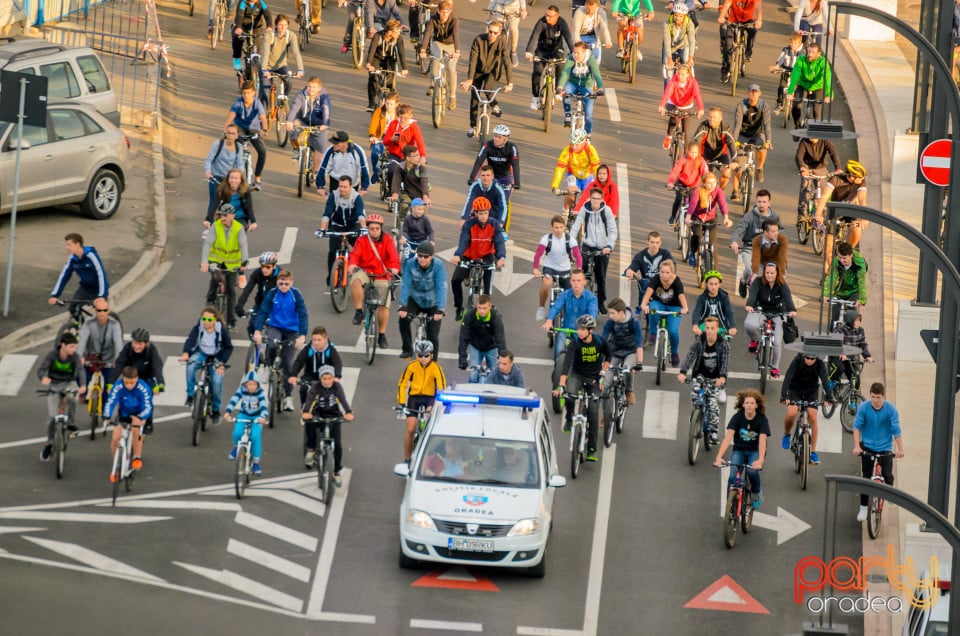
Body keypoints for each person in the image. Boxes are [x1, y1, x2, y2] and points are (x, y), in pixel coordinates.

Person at [553, 314, 610, 461]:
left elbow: (608, 356)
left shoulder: (599, 341)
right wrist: (561, 385)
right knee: (570, 394)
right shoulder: (575, 343)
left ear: (590, 330)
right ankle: (570, 418)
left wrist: (603, 373)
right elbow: (566, 364)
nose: (579, 332)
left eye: (582, 329)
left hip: (594, 379)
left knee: (593, 412)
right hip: (577, 375)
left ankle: (592, 449)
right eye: (578, 329)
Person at [253, 269, 309, 411]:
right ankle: (267, 366)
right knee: (271, 345)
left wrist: (302, 335)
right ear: (277, 282)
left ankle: (288, 397)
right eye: (281, 283)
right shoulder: (272, 293)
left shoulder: (296, 295)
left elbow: (303, 315)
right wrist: (258, 330)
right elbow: (263, 311)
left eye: (286, 283)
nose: (283, 286)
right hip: (275, 327)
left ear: (291, 283)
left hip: (292, 331)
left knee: (289, 364)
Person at [347, 214, 401, 348]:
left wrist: (394, 268)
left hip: (382, 274)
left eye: (377, 228)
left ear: (381, 228)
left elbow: (394, 258)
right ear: (368, 229)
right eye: (372, 228)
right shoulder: (361, 240)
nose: (375, 231)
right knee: (355, 281)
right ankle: (359, 311)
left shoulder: (388, 240)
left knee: (384, 306)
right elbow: (354, 255)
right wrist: (352, 265)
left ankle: (382, 335)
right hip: (365, 271)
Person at [853, 383, 904, 522]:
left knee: (887, 474)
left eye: (878, 397)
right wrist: (857, 446)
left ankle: (890, 492)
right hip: (867, 447)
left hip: (885, 448)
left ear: (884, 396)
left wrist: (900, 449)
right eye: (873, 397)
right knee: (866, 478)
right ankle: (863, 508)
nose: (875, 400)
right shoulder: (864, 407)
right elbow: (856, 426)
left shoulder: (890, 409)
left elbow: (896, 429)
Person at [713, 388, 770, 509]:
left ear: (756, 405)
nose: (749, 405)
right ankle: (730, 502)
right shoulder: (737, 418)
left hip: (755, 451)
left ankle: (756, 492)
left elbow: (762, 441)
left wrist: (760, 460)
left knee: (751, 471)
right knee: (733, 475)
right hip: (739, 450)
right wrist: (718, 457)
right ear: (743, 404)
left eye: (752, 403)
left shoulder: (762, 420)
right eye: (747, 403)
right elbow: (728, 438)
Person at [451, 201, 506, 320]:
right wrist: (457, 255)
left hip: (486, 256)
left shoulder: (494, 224)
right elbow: (463, 241)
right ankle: (459, 307)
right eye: (480, 213)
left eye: (485, 213)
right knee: (455, 280)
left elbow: (499, 242)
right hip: (469, 256)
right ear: (476, 213)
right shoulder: (469, 225)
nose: (483, 216)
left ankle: (487, 307)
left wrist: (501, 257)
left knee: (486, 287)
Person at [677, 316, 730, 442]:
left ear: (717, 329)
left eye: (712, 328)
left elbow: (725, 361)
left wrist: (722, 377)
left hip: (715, 378)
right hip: (700, 375)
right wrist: (683, 372)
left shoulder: (723, 344)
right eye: (707, 328)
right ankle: (696, 417)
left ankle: (713, 432)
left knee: (712, 406)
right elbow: (690, 355)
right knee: (696, 397)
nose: (710, 331)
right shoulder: (699, 340)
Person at [301, 365, 355, 485]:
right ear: (320, 379)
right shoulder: (315, 388)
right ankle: (311, 449)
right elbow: (309, 401)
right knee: (309, 425)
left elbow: (343, 400)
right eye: (324, 379)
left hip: (333, 414)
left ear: (333, 378)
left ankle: (336, 472)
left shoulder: (337, 387)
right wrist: (306, 413)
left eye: (330, 378)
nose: (327, 381)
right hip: (318, 413)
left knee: (338, 446)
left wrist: (349, 412)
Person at [461, 20, 514, 138]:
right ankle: (473, 126)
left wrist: (509, 82)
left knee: (488, 88)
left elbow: (507, 62)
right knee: (475, 96)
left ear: (499, 33)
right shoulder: (479, 40)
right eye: (490, 32)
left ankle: (494, 105)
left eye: (495, 33)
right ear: (487, 30)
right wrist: (470, 79)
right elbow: (473, 60)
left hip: (491, 70)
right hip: (478, 71)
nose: (492, 35)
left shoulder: (502, 42)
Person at [38, 333, 86, 462]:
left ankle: (71, 423)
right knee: (52, 417)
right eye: (71, 347)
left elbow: (81, 371)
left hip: (69, 383)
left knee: (74, 398)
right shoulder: (52, 355)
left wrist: (82, 385)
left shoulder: (75, 357)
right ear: (63, 345)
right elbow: (41, 370)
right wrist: (43, 378)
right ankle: (49, 444)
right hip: (54, 385)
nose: (74, 349)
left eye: (75, 347)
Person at [201, 203, 249, 332]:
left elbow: (243, 246)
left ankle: (231, 321)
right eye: (221, 215)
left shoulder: (239, 228)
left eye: (226, 215)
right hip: (216, 261)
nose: (223, 218)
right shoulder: (215, 226)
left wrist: (244, 263)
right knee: (215, 279)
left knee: (231, 291)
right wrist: (205, 262)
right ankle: (209, 302)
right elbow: (208, 243)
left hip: (232, 264)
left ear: (232, 216)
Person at [180, 307, 234, 420]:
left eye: (209, 320)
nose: (206, 322)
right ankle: (190, 395)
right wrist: (186, 353)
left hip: (216, 356)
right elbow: (191, 339)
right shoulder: (199, 327)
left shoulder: (221, 330)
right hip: (201, 353)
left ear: (215, 320)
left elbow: (229, 347)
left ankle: (215, 410)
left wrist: (222, 363)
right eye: (204, 318)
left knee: (217, 382)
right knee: (190, 366)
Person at [744, 262, 797, 378]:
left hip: (778, 313)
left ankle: (774, 367)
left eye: (772, 273)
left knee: (777, 342)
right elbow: (752, 295)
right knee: (749, 324)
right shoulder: (758, 282)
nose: (769, 275)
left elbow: (788, 298)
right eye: (767, 273)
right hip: (761, 310)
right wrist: (749, 305)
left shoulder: (782, 284)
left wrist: (792, 310)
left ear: (777, 273)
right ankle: (755, 340)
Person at [397, 340, 447, 461]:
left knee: (428, 417)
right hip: (414, 397)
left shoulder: (436, 368)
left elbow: (442, 387)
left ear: (431, 355)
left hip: (429, 398)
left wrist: (439, 404)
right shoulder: (411, 366)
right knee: (410, 429)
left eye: (426, 355)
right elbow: (402, 384)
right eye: (420, 355)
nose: (423, 358)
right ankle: (407, 458)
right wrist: (402, 401)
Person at [781, 351, 833, 465]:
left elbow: (825, 381)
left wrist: (829, 398)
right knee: (791, 413)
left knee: (813, 417)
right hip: (795, 389)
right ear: (804, 356)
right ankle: (787, 434)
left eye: (812, 359)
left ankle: (813, 452)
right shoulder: (797, 360)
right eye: (807, 358)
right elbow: (788, 377)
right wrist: (784, 396)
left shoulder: (819, 364)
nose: (809, 360)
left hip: (811, 391)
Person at [570, 186, 618, 309]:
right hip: (588, 245)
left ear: (602, 199)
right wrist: (571, 243)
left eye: (597, 198)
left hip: (603, 247)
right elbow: (576, 227)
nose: (595, 201)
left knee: (600, 276)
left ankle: (601, 302)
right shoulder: (585, 210)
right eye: (593, 198)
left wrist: (609, 245)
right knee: (581, 271)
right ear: (590, 198)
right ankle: (578, 298)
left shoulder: (606, 211)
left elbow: (613, 230)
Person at [398, 242, 446, 358]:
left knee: (432, 336)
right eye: (420, 256)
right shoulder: (410, 264)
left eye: (426, 257)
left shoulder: (439, 266)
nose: (422, 259)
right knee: (403, 320)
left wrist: (440, 309)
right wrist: (403, 305)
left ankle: (433, 363)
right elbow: (405, 285)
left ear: (432, 256)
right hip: (415, 299)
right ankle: (407, 349)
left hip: (433, 303)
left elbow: (441, 287)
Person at [104, 365, 154, 475]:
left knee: (137, 431)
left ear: (137, 379)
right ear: (122, 379)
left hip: (140, 413)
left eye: (132, 383)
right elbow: (111, 401)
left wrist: (141, 418)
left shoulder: (143, 387)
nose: (129, 386)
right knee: (115, 438)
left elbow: (148, 406)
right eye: (126, 382)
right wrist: (107, 416)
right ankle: (116, 464)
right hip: (124, 413)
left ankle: (137, 457)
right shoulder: (118, 386)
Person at [541, 268, 599, 361]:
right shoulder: (564, 294)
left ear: (584, 282)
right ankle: (557, 372)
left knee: (587, 358)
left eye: (579, 280)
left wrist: (588, 328)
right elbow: (555, 307)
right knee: (559, 353)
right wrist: (549, 321)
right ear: (570, 282)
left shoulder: (591, 298)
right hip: (565, 330)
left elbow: (592, 314)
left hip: (582, 332)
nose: (576, 283)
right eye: (573, 280)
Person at [640, 259, 688, 367]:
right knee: (652, 310)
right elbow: (649, 291)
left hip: (674, 307)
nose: (664, 275)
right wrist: (644, 304)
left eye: (667, 272)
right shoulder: (656, 278)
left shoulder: (677, 281)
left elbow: (681, 295)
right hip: (659, 303)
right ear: (659, 272)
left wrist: (685, 308)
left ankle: (674, 352)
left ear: (672, 272)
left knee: (673, 331)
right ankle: (653, 332)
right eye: (662, 272)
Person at [730, 189, 779, 297]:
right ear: (756, 202)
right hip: (749, 249)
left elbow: (781, 232)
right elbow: (739, 229)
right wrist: (734, 241)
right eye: (759, 202)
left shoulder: (774, 217)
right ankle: (743, 281)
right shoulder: (750, 216)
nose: (761, 204)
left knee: (774, 272)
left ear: (769, 203)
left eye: (764, 202)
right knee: (749, 269)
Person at [319, 176, 367, 285]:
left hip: (353, 225)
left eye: (345, 187)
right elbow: (327, 213)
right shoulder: (333, 196)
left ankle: (359, 273)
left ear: (351, 187)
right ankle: (331, 277)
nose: (342, 189)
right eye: (340, 186)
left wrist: (364, 228)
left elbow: (360, 214)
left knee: (358, 249)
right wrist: (322, 229)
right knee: (332, 251)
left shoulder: (357, 197)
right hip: (337, 225)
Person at [524, 5, 574, 111]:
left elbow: (568, 38)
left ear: (557, 16)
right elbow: (534, 36)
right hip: (542, 50)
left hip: (557, 49)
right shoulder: (542, 22)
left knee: (561, 65)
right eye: (546, 15)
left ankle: (557, 90)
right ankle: (535, 97)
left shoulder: (562, 23)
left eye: (550, 16)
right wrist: (529, 51)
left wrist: (574, 53)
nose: (547, 18)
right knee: (537, 71)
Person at [534, 215, 583, 321]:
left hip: (565, 269)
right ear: (552, 227)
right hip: (549, 267)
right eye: (556, 227)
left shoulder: (570, 239)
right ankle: (541, 308)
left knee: (569, 293)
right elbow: (538, 254)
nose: (559, 230)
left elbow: (577, 255)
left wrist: (579, 268)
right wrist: (536, 268)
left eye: (561, 227)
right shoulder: (546, 238)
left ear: (564, 227)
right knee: (546, 283)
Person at [49, 233, 110, 319]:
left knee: (101, 314)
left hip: (98, 289)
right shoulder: (72, 259)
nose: (67, 247)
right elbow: (64, 276)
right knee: (73, 308)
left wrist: (101, 296)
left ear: (77, 244)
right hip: (85, 288)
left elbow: (101, 274)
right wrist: (55, 295)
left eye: (69, 245)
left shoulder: (91, 256)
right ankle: (79, 328)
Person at [814, 160, 869, 249]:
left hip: (849, 209)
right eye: (860, 177)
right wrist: (818, 214)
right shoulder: (835, 179)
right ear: (851, 177)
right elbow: (824, 197)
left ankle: (849, 251)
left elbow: (862, 199)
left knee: (857, 230)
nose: (862, 179)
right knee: (829, 246)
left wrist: (864, 217)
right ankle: (828, 262)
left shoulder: (861, 182)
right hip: (834, 209)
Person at [224, 81, 268, 190]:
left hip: (254, 129)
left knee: (262, 151)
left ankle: (257, 179)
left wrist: (264, 130)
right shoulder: (238, 102)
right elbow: (231, 116)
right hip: (240, 128)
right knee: (236, 150)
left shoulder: (257, 103)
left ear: (253, 93)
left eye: (249, 93)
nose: (246, 96)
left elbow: (263, 117)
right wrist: (226, 130)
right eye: (244, 93)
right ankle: (231, 176)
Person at [224, 370, 269, 476]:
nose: (252, 387)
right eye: (250, 384)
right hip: (243, 415)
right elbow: (234, 400)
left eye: (254, 384)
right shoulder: (241, 390)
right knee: (237, 433)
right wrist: (227, 412)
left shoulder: (260, 393)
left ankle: (256, 463)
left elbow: (263, 406)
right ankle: (236, 447)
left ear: (257, 385)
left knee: (255, 436)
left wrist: (263, 417)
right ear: (245, 384)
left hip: (257, 417)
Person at [731, 83, 773, 195]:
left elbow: (767, 124)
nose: (753, 94)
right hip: (743, 134)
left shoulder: (764, 106)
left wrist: (768, 141)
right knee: (738, 163)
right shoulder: (741, 106)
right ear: (747, 93)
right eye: (751, 92)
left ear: (760, 93)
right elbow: (737, 124)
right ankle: (735, 190)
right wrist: (735, 140)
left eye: (755, 92)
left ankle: (759, 169)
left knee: (763, 147)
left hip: (757, 133)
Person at [419, 0, 460, 112]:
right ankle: (433, 84)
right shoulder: (433, 19)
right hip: (438, 43)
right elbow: (428, 33)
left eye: (447, 12)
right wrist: (423, 49)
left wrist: (457, 51)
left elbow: (456, 35)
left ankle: (452, 97)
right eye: (442, 12)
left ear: (450, 11)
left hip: (451, 45)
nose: (444, 15)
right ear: (438, 11)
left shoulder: (454, 20)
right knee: (436, 57)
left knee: (451, 68)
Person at [285, 76, 331, 177]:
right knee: (292, 130)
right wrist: (289, 121)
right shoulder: (301, 95)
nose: (311, 89)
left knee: (319, 150)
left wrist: (325, 123)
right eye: (309, 86)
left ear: (319, 88)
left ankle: (315, 173)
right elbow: (294, 109)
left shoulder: (324, 98)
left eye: (314, 87)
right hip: (303, 121)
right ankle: (297, 150)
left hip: (319, 125)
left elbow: (326, 110)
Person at [685, 172, 731, 269]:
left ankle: (715, 273)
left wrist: (726, 218)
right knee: (698, 237)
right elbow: (692, 205)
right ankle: (692, 252)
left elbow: (722, 204)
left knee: (713, 245)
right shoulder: (697, 191)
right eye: (709, 183)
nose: (712, 185)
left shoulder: (718, 191)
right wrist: (688, 217)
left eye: (714, 182)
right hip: (697, 217)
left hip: (711, 218)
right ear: (704, 183)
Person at [551, 130, 601, 217]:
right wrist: (555, 185)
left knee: (587, 200)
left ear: (583, 142)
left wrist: (599, 184)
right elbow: (560, 168)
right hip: (573, 176)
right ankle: (565, 212)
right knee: (571, 194)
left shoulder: (590, 150)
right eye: (572, 143)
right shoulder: (567, 151)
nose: (574, 147)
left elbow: (597, 167)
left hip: (588, 177)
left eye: (577, 144)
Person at [458, 294, 508, 382]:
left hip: (491, 347)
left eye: (484, 308)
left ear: (490, 306)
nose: (481, 311)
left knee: (495, 375)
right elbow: (464, 337)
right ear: (476, 306)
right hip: (475, 346)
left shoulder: (496, 317)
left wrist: (503, 357)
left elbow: (500, 337)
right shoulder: (469, 315)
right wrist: (462, 358)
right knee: (473, 375)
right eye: (479, 308)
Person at [557, 41, 604, 135]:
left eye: (578, 53)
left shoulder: (590, 59)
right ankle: (567, 114)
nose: (575, 55)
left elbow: (597, 74)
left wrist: (600, 89)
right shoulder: (571, 58)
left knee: (589, 115)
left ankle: (588, 134)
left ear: (584, 52)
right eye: (574, 52)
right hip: (573, 83)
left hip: (586, 86)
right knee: (566, 94)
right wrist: (560, 87)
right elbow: (565, 73)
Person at [289, 326, 343, 405]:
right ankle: (304, 408)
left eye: (319, 340)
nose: (316, 343)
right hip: (310, 375)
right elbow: (299, 361)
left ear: (325, 339)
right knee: (303, 389)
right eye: (314, 340)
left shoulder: (330, 350)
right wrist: (293, 375)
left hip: (326, 376)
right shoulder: (309, 349)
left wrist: (337, 376)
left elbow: (337, 363)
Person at [602, 298, 643, 403]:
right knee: (606, 383)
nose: (610, 316)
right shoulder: (610, 322)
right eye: (609, 313)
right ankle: (606, 416)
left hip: (630, 352)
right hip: (614, 352)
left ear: (621, 313)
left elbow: (639, 344)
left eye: (612, 313)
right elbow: (603, 340)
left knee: (627, 370)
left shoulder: (634, 322)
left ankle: (629, 391)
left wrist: (639, 363)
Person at [468, 125, 521, 205]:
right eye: (495, 136)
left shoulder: (512, 148)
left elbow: (515, 165)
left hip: (505, 178)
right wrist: (472, 178)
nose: (496, 139)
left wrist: (517, 182)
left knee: (503, 202)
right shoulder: (487, 145)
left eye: (499, 137)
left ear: (505, 139)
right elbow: (479, 162)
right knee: (482, 199)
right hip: (491, 177)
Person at [77, 296, 124, 387]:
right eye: (99, 311)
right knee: (80, 377)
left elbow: (118, 344)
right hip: (90, 360)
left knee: (108, 387)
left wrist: (117, 359)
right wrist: (80, 357)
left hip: (108, 362)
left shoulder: (114, 325)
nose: (102, 313)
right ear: (95, 311)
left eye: (105, 310)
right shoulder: (88, 323)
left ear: (108, 311)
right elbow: (82, 341)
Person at [785, 41, 832, 129]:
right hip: (803, 85)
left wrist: (828, 94)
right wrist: (790, 91)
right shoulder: (801, 59)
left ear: (818, 54)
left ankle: (815, 132)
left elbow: (827, 77)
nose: (809, 54)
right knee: (796, 106)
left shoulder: (823, 62)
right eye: (809, 52)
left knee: (816, 110)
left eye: (813, 52)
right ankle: (797, 123)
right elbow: (795, 74)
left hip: (818, 86)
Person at [365, 19, 409, 112]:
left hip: (390, 60)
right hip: (376, 59)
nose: (398, 33)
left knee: (391, 82)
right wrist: (369, 63)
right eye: (396, 31)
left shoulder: (398, 38)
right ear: (389, 32)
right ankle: (372, 103)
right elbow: (372, 49)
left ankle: (393, 106)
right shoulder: (378, 36)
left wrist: (404, 68)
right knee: (373, 78)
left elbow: (401, 52)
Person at [261, 14, 305, 107]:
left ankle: (282, 100)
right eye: (280, 25)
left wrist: (300, 69)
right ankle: (263, 115)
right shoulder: (269, 36)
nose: (283, 27)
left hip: (281, 66)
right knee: (265, 92)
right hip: (268, 67)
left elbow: (296, 53)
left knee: (289, 82)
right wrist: (264, 69)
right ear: (276, 25)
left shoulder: (291, 35)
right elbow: (265, 53)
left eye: (285, 25)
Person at [658, 64, 704, 151]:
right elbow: (667, 94)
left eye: (683, 74)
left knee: (686, 133)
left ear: (688, 75)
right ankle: (669, 136)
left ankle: (685, 155)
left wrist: (700, 109)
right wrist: (661, 106)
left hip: (686, 106)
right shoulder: (673, 81)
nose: (680, 76)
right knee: (674, 118)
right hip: (673, 103)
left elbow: (697, 96)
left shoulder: (693, 83)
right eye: (678, 73)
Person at [202, 126, 245, 218]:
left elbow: (240, 163)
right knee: (214, 201)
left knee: (229, 203)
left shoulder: (238, 147)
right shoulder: (218, 144)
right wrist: (208, 172)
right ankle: (209, 224)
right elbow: (208, 160)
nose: (230, 136)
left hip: (229, 179)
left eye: (233, 133)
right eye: (228, 133)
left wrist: (240, 175)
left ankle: (226, 225)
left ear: (237, 135)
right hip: (215, 176)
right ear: (225, 134)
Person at [822, 241, 868, 323]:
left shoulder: (859, 262)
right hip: (842, 289)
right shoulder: (836, 261)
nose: (841, 261)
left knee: (852, 315)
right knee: (835, 316)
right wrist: (826, 294)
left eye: (844, 258)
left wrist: (861, 299)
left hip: (854, 290)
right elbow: (832, 277)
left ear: (851, 255)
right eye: (840, 257)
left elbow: (862, 282)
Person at [236, 251, 280, 337]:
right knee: (251, 327)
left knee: (274, 337)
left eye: (268, 267)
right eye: (262, 266)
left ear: (274, 266)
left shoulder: (281, 275)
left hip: (276, 305)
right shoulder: (257, 273)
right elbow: (247, 290)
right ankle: (255, 348)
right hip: (261, 304)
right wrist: (240, 305)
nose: (264, 269)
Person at [693, 107, 737, 191]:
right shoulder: (703, 126)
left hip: (721, 155)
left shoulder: (725, 128)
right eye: (710, 117)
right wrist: (696, 157)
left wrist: (735, 161)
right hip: (705, 155)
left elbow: (731, 144)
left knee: (727, 173)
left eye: (714, 117)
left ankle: (718, 193)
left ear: (720, 118)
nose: (711, 119)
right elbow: (696, 142)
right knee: (704, 179)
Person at [718, 0, 761, 84]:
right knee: (727, 45)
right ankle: (726, 70)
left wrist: (759, 20)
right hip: (734, 20)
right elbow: (727, 4)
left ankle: (748, 51)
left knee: (753, 30)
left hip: (748, 20)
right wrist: (721, 16)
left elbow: (758, 8)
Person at [383, 104, 428, 185]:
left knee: (411, 174)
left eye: (405, 118)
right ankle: (391, 191)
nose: (402, 120)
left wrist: (423, 156)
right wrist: (391, 139)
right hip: (394, 154)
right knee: (391, 171)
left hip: (408, 156)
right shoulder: (393, 124)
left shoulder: (414, 127)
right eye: (400, 117)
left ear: (411, 116)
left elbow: (420, 142)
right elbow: (385, 142)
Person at [796, 135, 841, 214]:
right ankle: (802, 212)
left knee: (824, 190)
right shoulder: (804, 141)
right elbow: (799, 156)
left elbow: (833, 153)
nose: (811, 137)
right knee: (805, 186)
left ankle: (823, 210)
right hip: (807, 168)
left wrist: (838, 168)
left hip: (820, 168)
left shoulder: (825, 141)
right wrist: (802, 168)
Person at [316, 130, 371, 195]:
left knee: (350, 204)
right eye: (333, 143)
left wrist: (364, 188)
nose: (334, 145)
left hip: (352, 184)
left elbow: (364, 169)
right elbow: (323, 168)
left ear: (345, 143)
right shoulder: (330, 151)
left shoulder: (358, 151)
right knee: (334, 203)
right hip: (336, 181)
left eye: (337, 143)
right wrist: (320, 186)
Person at [665, 141, 708, 225]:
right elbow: (675, 171)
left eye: (696, 152)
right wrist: (670, 182)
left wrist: (707, 182)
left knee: (694, 202)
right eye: (692, 152)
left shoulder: (700, 160)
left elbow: (705, 172)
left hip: (694, 185)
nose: (694, 154)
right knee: (678, 198)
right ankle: (673, 216)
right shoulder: (683, 159)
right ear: (688, 151)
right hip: (682, 183)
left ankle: (692, 218)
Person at [828, 310, 873, 387]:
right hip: (837, 356)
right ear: (850, 320)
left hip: (848, 359)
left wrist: (867, 356)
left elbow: (862, 344)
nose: (859, 322)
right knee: (839, 368)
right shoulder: (841, 330)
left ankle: (853, 396)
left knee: (856, 381)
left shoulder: (860, 331)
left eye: (859, 320)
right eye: (856, 320)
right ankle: (830, 380)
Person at [390, 145, 431, 225]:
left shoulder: (421, 168)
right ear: (408, 158)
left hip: (420, 195)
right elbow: (396, 181)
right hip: (407, 194)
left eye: (418, 155)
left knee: (421, 213)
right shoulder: (400, 167)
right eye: (415, 156)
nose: (418, 157)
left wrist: (425, 196)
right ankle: (400, 227)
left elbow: (424, 181)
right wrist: (394, 194)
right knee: (404, 207)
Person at [115, 328, 165, 394]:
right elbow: (119, 364)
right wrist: (111, 382)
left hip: (147, 378)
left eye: (140, 344)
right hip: (130, 378)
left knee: (148, 396)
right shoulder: (127, 348)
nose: (137, 346)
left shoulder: (151, 350)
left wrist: (160, 383)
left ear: (146, 343)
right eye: (135, 343)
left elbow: (157, 366)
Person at [462, 164, 508, 231]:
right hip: (479, 216)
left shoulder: (498, 188)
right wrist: (463, 218)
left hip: (494, 218)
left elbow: (503, 207)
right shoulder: (475, 186)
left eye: (488, 175)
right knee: (466, 230)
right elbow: (469, 203)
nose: (485, 178)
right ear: (480, 176)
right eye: (483, 175)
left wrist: (500, 223)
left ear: (492, 176)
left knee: (500, 239)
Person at [691, 271, 737, 337]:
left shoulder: (724, 297)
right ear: (706, 284)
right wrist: (695, 325)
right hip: (705, 327)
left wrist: (732, 327)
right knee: (698, 344)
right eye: (711, 284)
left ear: (719, 284)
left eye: (716, 284)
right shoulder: (702, 298)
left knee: (724, 346)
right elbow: (696, 311)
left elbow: (729, 312)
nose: (713, 287)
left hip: (721, 327)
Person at [232, 0, 273, 73]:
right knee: (238, 38)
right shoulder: (243, 2)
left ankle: (255, 71)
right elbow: (239, 15)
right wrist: (238, 27)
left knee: (258, 47)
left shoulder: (261, 3)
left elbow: (268, 15)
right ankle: (237, 58)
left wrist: (269, 26)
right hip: (243, 26)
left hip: (256, 28)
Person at [368, 91, 399, 183]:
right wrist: (372, 136)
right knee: (375, 153)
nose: (388, 106)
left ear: (397, 104)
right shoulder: (379, 112)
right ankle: (376, 171)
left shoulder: (400, 114)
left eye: (391, 104)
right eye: (387, 103)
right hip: (381, 137)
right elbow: (373, 125)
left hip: (394, 139)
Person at [769, 32, 804, 115]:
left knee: (797, 88)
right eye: (791, 42)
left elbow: (802, 63)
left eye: (795, 43)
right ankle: (779, 104)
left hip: (796, 72)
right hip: (785, 70)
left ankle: (796, 104)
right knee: (781, 87)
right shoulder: (786, 49)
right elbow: (781, 58)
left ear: (799, 44)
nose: (793, 45)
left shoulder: (802, 53)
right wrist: (777, 66)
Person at [488, 0, 528, 66]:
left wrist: (523, 9)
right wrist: (489, 13)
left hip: (513, 9)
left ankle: (513, 51)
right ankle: (491, 49)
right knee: (494, 28)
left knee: (513, 29)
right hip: (499, 7)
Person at [750, 218, 788, 284]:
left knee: (782, 283)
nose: (776, 233)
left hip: (777, 264)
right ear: (765, 233)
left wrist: (782, 274)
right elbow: (755, 258)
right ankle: (744, 281)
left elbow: (782, 258)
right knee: (757, 281)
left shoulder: (782, 239)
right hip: (762, 263)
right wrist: (755, 273)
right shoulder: (757, 240)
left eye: (777, 231)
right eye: (773, 232)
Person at [661, 3, 695, 74]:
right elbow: (667, 41)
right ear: (673, 14)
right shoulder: (667, 22)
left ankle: (687, 81)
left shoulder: (689, 23)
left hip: (683, 45)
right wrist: (669, 60)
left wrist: (690, 58)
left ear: (685, 16)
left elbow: (692, 41)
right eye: (676, 15)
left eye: (680, 16)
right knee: (668, 72)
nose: (678, 18)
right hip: (670, 47)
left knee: (686, 61)